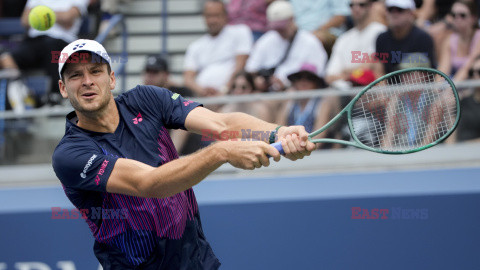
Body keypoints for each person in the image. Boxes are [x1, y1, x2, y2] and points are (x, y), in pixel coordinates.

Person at [52, 39, 315, 269]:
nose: (87, 81)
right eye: (75, 75)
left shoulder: (145, 99)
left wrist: (277, 133)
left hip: (194, 261)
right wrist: (220, 152)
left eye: (95, 71)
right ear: (64, 88)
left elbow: (222, 124)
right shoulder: (70, 155)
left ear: (111, 78)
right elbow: (148, 183)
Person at [0, 0, 88, 106]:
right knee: (5, 57)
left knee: (52, 47)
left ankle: (56, 96)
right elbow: (24, 20)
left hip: (62, 42)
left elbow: (68, 18)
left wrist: (41, 13)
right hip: (35, 40)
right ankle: (23, 92)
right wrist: (57, 16)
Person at [245, 0, 328, 92]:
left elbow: (316, 76)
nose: (279, 30)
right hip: (267, 92)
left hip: (297, 92)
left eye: (282, 27)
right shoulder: (265, 41)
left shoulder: (310, 42)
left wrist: (286, 85)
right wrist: (258, 80)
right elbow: (251, 69)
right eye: (276, 27)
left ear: (292, 19)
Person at [183, 0, 253, 97]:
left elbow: (240, 66)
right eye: (209, 16)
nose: (212, 20)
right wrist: (203, 91)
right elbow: (188, 78)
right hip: (204, 98)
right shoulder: (195, 46)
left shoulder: (240, 32)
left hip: (232, 96)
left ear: (225, 16)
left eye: (216, 15)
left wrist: (224, 91)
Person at [277, 63, 341, 149]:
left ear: (316, 83)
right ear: (295, 82)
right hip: (289, 150)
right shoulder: (289, 103)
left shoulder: (323, 104)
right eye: (299, 78)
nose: (303, 82)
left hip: (315, 153)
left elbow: (320, 136)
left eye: (309, 78)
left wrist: (302, 148)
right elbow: (279, 129)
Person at [325, 0, 387, 87]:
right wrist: (352, 75)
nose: (356, 8)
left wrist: (345, 72)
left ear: (370, 7)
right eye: (352, 5)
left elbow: (372, 65)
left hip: (370, 88)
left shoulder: (380, 32)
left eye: (362, 5)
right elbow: (329, 76)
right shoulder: (343, 39)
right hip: (344, 91)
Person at [373, 0, 437, 76]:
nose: (394, 14)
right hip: (388, 87)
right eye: (390, 9)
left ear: (411, 13)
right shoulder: (381, 39)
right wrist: (384, 87)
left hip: (416, 87)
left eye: (400, 10)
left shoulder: (423, 38)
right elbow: (379, 71)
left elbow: (427, 74)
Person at [438, 0, 480, 80]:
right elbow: (442, 72)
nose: (457, 19)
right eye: (454, 15)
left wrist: (450, 91)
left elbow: (466, 68)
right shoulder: (449, 40)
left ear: (473, 18)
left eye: (462, 15)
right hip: (456, 87)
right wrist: (436, 90)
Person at [446, 55, 480, 143]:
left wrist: (464, 146)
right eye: (472, 72)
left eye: (479, 72)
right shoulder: (461, 102)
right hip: (458, 154)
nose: (475, 76)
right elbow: (451, 136)